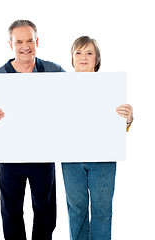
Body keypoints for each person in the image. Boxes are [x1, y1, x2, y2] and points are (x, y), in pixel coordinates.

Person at [0, 20, 65, 240]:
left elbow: (77, 94)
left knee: (46, 211)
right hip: (10, 156)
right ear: (11, 44)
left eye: (29, 40)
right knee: (11, 211)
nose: (25, 46)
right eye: (19, 41)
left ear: (37, 41)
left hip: (43, 154)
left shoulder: (53, 71)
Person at [61, 36, 133, 240]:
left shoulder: (110, 86)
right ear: (72, 58)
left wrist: (127, 119)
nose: (83, 57)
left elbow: (117, 127)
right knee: (76, 211)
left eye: (89, 53)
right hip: (71, 159)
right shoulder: (59, 86)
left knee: (102, 212)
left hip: (103, 160)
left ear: (97, 59)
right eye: (78, 52)